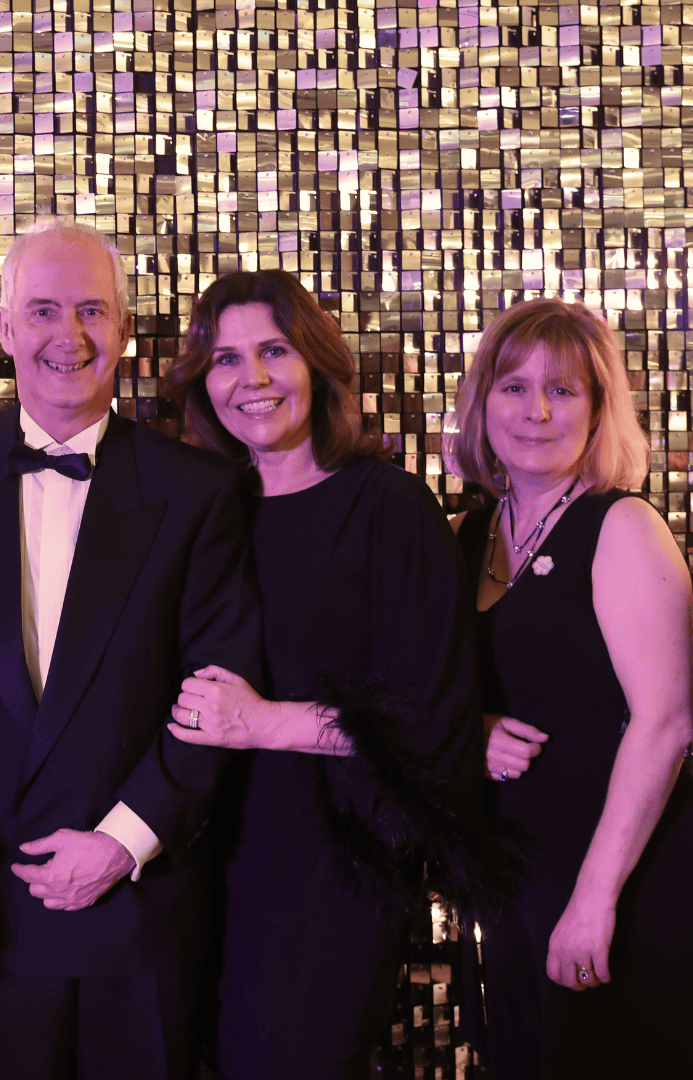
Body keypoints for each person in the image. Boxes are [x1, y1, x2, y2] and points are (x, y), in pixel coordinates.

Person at [0, 217, 266, 1080]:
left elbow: (219, 687)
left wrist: (123, 841)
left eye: (94, 310)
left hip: (141, 914)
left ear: (127, 331)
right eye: (45, 310)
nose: (70, 336)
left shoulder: (200, 490)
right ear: (5, 328)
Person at [158, 270, 487, 1080]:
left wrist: (261, 721)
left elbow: (431, 721)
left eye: (274, 351)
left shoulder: (387, 507)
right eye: (227, 359)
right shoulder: (204, 509)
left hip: (333, 866)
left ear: (318, 364)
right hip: (206, 861)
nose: (253, 380)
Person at [446, 298, 693, 1078]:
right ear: (482, 402)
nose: (536, 410)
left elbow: (664, 725)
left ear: (599, 411)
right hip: (516, 865)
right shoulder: (469, 534)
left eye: (563, 391)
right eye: (514, 387)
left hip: (619, 870)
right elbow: (435, 689)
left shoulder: (621, 524)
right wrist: (473, 726)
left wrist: (595, 899)